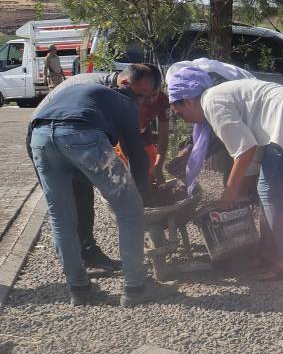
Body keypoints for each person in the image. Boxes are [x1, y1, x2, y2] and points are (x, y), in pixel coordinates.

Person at [29, 76, 178, 306]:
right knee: (130, 212)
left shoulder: (88, 93)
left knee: (60, 217)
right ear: (134, 99)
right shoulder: (126, 104)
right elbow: (137, 155)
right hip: (80, 135)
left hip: (39, 136)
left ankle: (79, 289)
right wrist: (139, 195)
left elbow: (37, 130)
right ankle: (135, 287)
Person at [168, 69, 283, 277]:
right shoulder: (218, 96)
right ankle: (270, 254)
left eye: (180, 113)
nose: (185, 120)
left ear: (188, 101)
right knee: (268, 192)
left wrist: (230, 191)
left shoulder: (212, 104)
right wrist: (238, 188)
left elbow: (245, 150)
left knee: (269, 192)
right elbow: (252, 149)